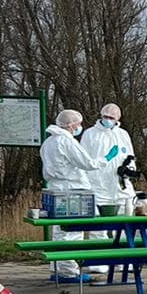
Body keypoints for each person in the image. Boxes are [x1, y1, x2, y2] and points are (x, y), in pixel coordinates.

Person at [40, 109, 104, 282]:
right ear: (71, 125)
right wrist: (105, 159)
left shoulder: (48, 142)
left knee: (59, 230)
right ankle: (68, 272)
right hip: (72, 190)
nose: (79, 127)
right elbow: (87, 163)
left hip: (56, 188)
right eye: (78, 124)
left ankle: (57, 268)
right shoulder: (67, 141)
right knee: (72, 232)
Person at [81, 102, 137, 214]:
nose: (108, 120)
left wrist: (128, 171)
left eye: (111, 118)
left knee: (126, 217)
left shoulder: (123, 134)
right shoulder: (90, 134)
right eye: (105, 116)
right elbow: (83, 161)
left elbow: (130, 157)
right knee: (99, 222)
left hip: (121, 188)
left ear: (117, 119)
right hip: (98, 186)